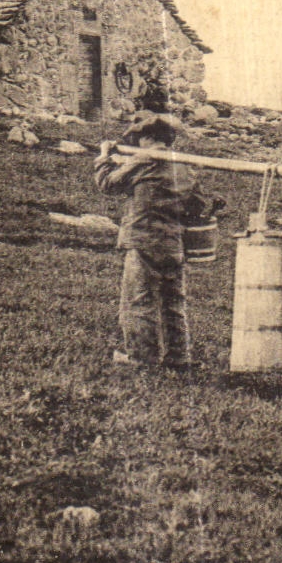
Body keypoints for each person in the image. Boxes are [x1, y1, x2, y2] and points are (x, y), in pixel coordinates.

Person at [94, 110, 215, 370]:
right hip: (173, 243)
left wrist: (104, 157)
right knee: (174, 302)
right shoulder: (184, 166)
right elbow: (196, 205)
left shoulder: (143, 160)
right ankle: (178, 357)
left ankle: (141, 358)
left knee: (138, 301)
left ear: (146, 137)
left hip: (142, 241)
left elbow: (107, 184)